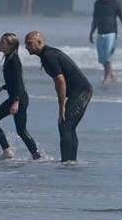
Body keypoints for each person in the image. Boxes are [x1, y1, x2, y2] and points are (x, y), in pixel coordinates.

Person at [23, 31, 92, 163]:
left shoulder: (48, 56)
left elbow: (60, 81)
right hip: (82, 90)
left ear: (40, 42)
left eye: (29, 43)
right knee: (69, 127)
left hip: (81, 92)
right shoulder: (47, 54)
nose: (26, 47)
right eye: (26, 44)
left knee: (65, 125)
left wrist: (62, 106)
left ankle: (66, 162)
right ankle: (71, 162)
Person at [0, 33, 42, 160]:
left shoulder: (14, 61)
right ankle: (36, 156)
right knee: (21, 131)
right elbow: (12, 82)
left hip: (19, 99)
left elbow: (18, 83)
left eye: (2, 42)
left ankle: (7, 151)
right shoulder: (9, 58)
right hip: (17, 98)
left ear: (10, 45)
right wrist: (1, 88)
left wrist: (16, 101)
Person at [89, 0, 122, 83]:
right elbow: (95, 19)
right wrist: (91, 33)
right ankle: (112, 75)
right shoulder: (97, 4)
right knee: (102, 59)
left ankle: (105, 78)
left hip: (111, 34)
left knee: (107, 57)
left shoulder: (115, 3)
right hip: (100, 34)